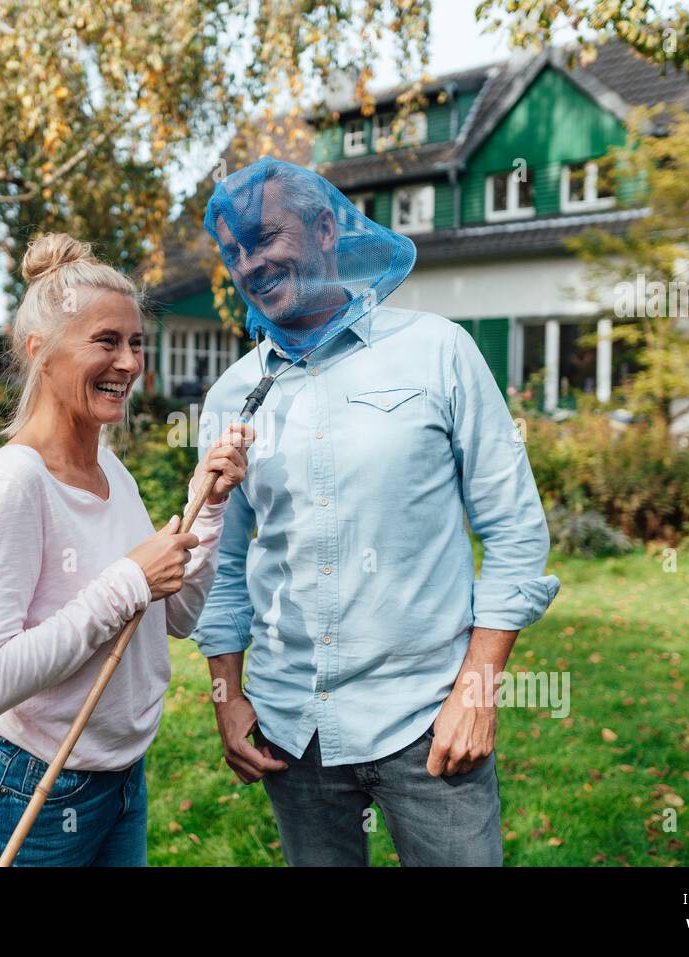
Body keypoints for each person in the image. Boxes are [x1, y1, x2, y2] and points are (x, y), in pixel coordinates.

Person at [192, 157, 560, 866]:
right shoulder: (233, 396)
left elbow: (515, 532)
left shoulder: (437, 351)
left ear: (326, 228)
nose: (251, 263)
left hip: (427, 720)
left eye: (267, 237)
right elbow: (221, 562)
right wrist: (225, 695)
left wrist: (477, 691)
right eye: (235, 251)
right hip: (290, 730)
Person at [0, 233, 251, 867]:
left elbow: (177, 617)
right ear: (40, 353)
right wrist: (127, 581)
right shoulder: (14, 483)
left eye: (136, 343)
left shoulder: (113, 470)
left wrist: (208, 506)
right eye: (106, 342)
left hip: (120, 780)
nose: (131, 363)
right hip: (33, 786)